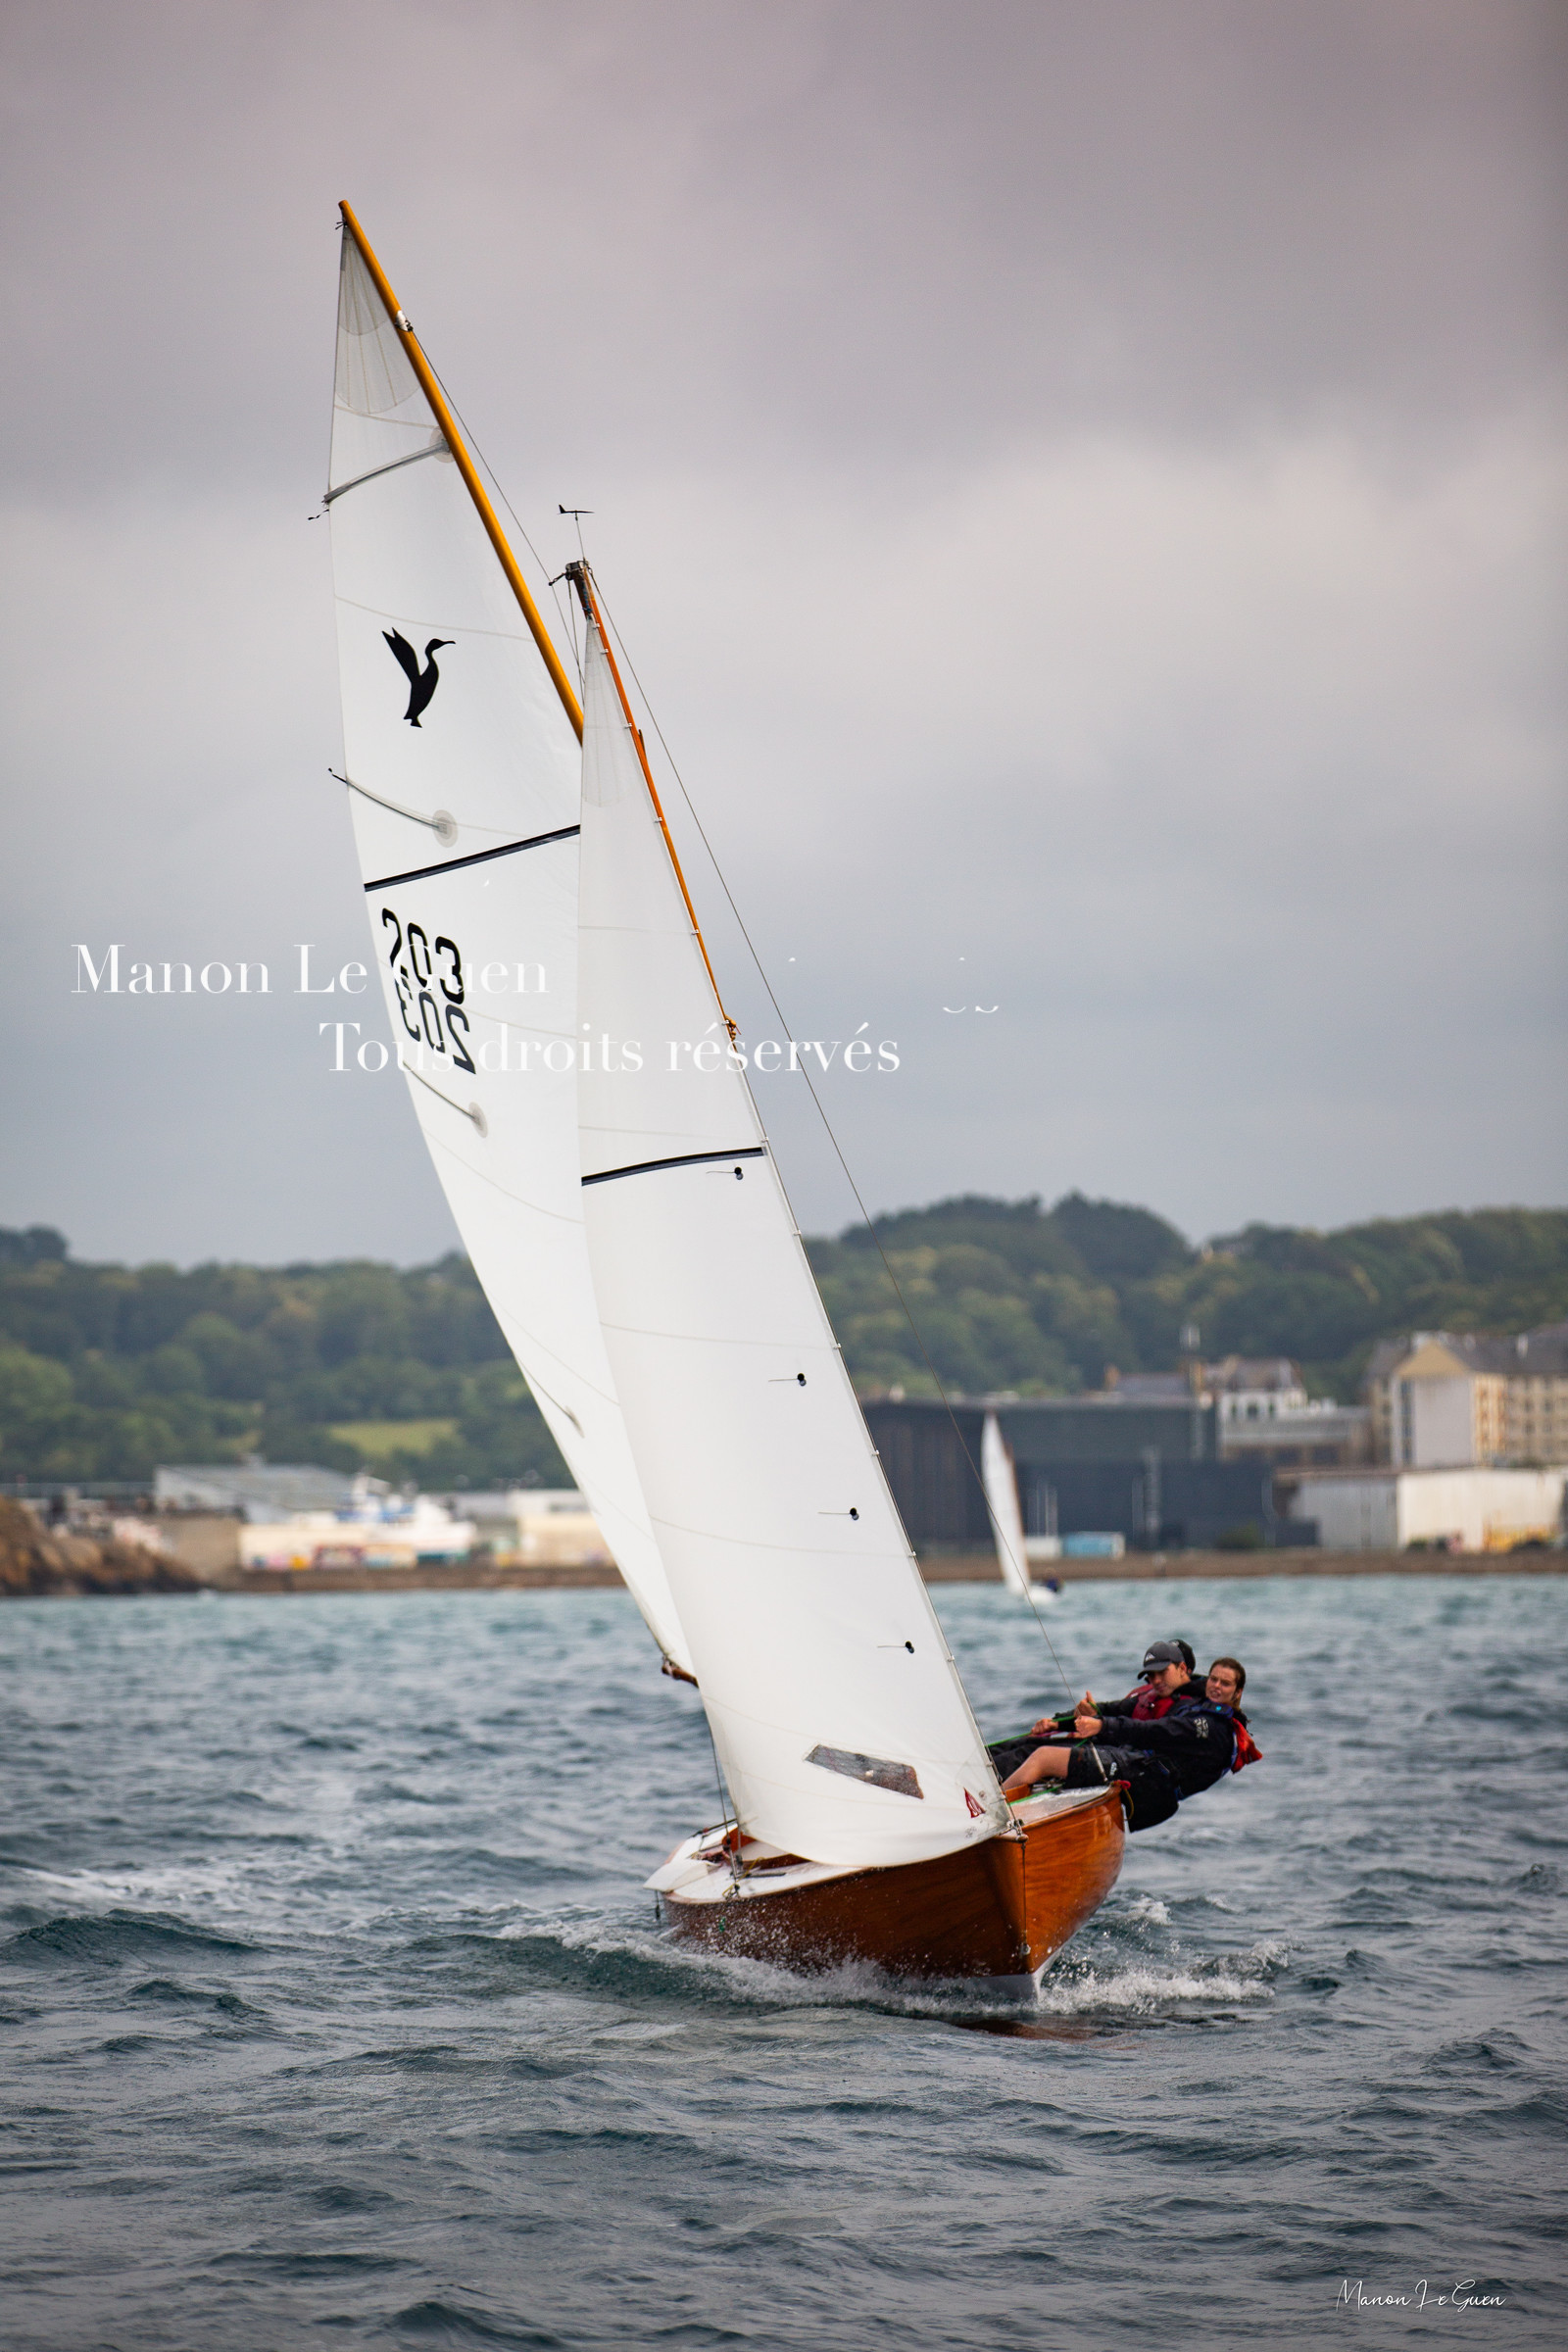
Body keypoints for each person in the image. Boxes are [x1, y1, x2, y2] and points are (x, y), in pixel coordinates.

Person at [1000, 1673, 1242, 1832]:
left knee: (1042, 1757)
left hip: (1148, 1779)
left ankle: (993, 1815)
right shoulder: (1156, 1697)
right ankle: (989, 1795)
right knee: (1026, 1747)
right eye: (1151, 1675)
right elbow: (1114, 1710)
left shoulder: (1205, 1722)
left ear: (1183, 1669)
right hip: (1129, 1756)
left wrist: (1101, 1726)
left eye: (1162, 1672)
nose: (1156, 1680)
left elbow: (1151, 1731)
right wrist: (1058, 1723)